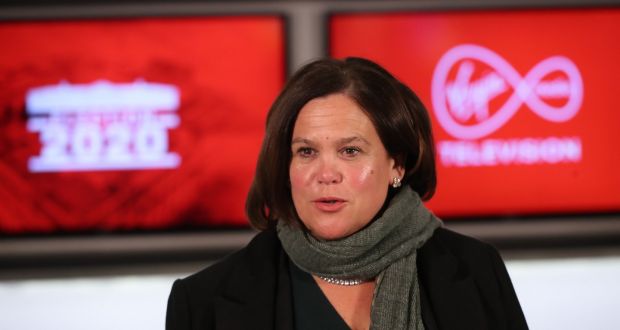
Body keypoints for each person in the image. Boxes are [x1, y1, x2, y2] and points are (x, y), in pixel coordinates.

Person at [166, 57, 528, 330]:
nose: (325, 174)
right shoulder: (202, 302)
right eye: (306, 152)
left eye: (350, 151)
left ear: (396, 166)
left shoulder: (476, 269)